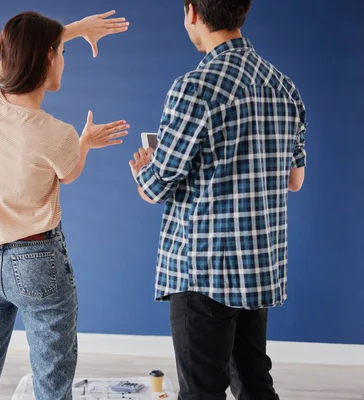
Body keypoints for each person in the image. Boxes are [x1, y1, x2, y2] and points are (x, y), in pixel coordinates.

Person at [129, 1, 306, 399]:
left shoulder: (195, 87)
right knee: (255, 383)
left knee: (201, 392)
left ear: (192, 12)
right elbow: (295, 180)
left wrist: (144, 167)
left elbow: (155, 188)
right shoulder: (284, 86)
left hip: (204, 270)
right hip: (259, 264)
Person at [0, 10, 130, 400]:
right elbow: (68, 174)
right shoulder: (56, 134)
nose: (64, 60)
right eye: (62, 52)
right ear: (49, 58)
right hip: (36, 262)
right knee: (52, 387)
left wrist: (72, 30)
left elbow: (18, 53)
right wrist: (84, 142)